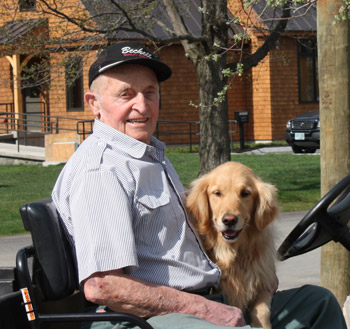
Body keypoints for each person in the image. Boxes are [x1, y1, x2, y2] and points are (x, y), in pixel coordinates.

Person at [52, 41, 347, 329]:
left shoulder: (147, 156)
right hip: (142, 317)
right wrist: (205, 308)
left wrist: (256, 274)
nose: (141, 106)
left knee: (318, 304)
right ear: (94, 104)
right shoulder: (102, 171)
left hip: (195, 301)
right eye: (126, 94)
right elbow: (104, 287)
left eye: (150, 93)